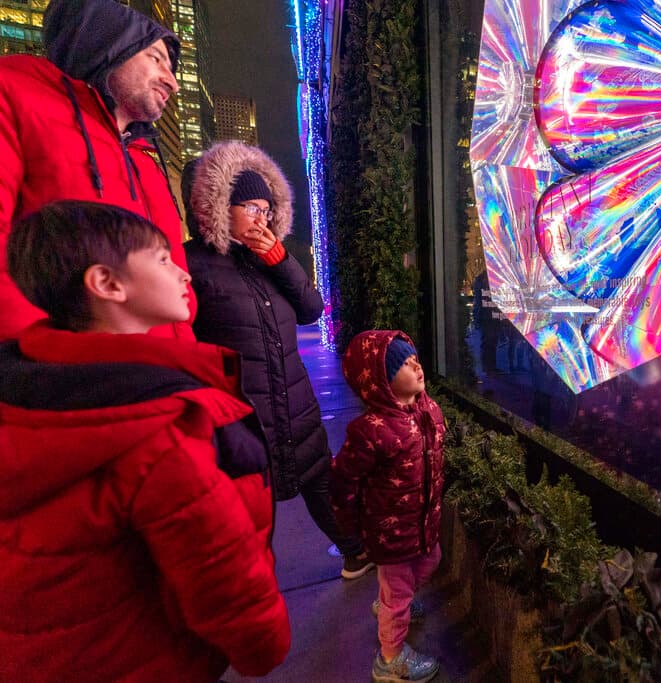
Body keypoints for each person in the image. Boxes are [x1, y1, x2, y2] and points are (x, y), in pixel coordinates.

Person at [0, 201, 290, 681]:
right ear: (108, 284)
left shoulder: (29, 388)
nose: (182, 274)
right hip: (151, 658)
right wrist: (265, 645)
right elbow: (221, 574)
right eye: (161, 259)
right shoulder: (158, 426)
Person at [185, 141, 372, 578]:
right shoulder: (193, 264)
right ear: (218, 207)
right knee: (253, 509)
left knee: (321, 484)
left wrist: (279, 259)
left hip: (295, 404)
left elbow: (311, 308)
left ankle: (355, 552)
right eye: (249, 206)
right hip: (244, 417)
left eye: (266, 209)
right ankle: (254, 589)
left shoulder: (271, 260)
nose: (260, 218)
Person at [0, 0, 192, 341]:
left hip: (159, 368)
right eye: (156, 58)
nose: (172, 83)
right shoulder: (15, 93)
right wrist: (38, 359)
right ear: (109, 46)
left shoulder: (144, 157)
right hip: (69, 375)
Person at [332, 330, 446, 683]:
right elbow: (344, 479)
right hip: (392, 533)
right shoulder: (371, 431)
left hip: (423, 522)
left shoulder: (427, 410)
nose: (416, 365)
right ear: (380, 382)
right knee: (398, 591)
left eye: (414, 357)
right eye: (402, 363)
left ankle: (391, 604)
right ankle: (390, 659)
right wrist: (350, 525)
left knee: (432, 560)